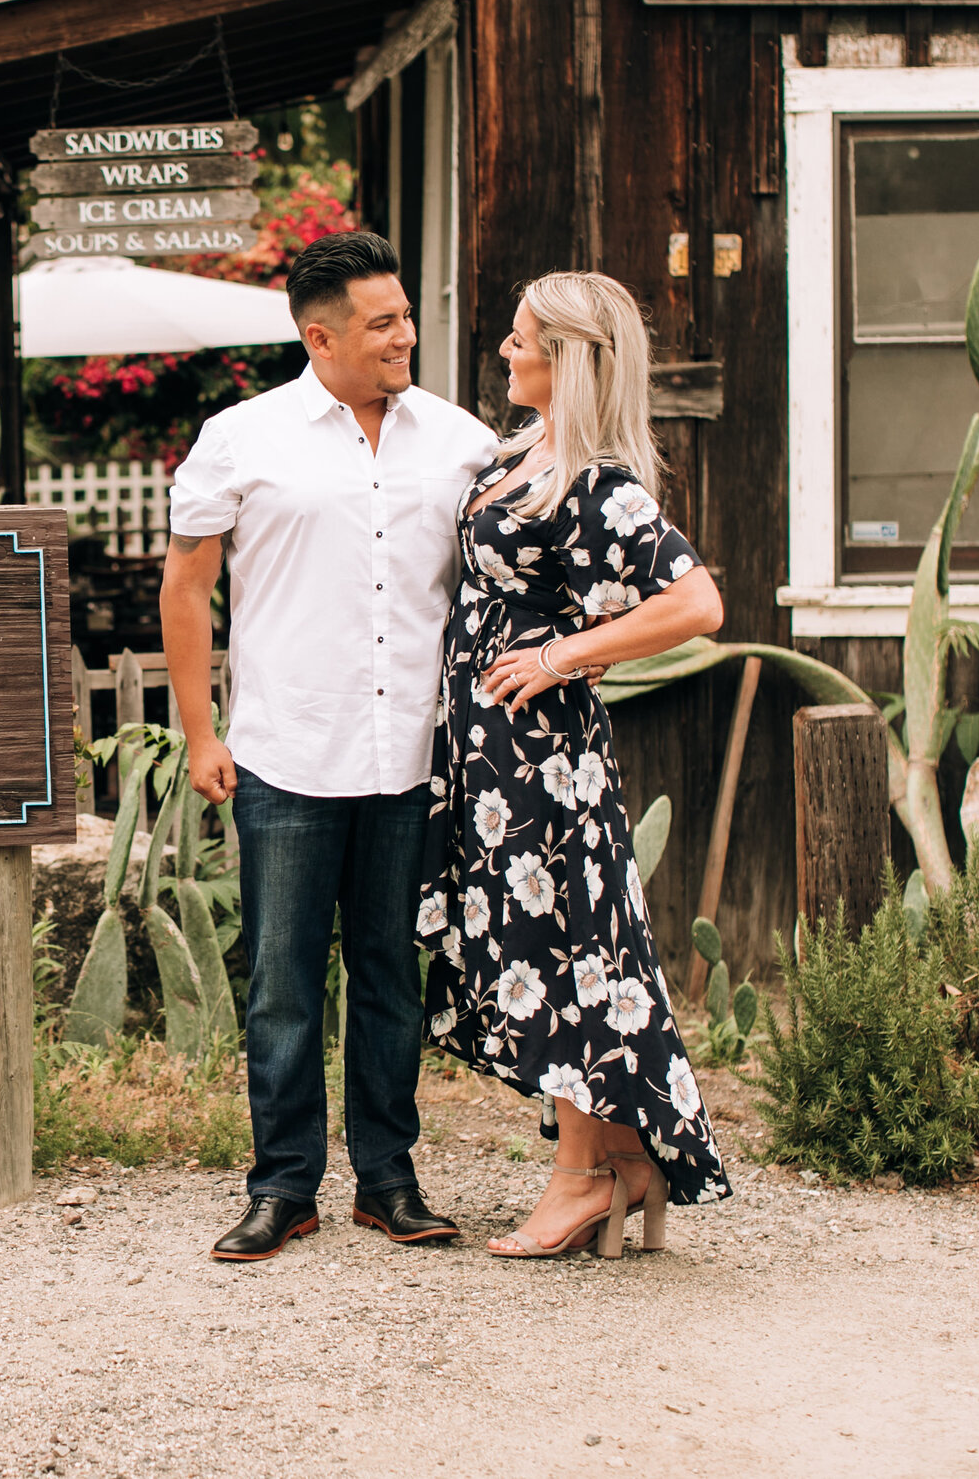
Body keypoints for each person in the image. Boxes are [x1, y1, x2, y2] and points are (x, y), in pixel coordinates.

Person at [162, 230, 499, 1262]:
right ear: (321, 336)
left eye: (405, 316)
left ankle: (388, 1180)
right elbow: (186, 587)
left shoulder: (462, 441)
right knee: (282, 982)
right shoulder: (241, 437)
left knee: (393, 974)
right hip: (285, 752)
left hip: (413, 756)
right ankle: (283, 1186)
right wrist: (200, 732)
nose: (405, 334)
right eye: (382, 322)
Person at [420, 270, 732, 1260]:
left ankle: (580, 1177)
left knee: (553, 955)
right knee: (534, 951)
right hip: (486, 751)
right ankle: (621, 1159)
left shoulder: (596, 479)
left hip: (539, 760)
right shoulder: (519, 455)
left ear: (567, 359)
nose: (504, 354)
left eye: (521, 342)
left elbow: (696, 605)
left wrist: (561, 654)